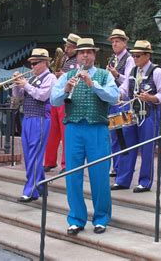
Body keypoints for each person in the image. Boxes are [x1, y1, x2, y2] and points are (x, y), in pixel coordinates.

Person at [51, 38, 119, 235]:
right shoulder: (67, 76)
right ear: (77, 55)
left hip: (97, 129)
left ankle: (101, 218)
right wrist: (66, 90)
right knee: (73, 175)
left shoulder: (105, 76)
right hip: (73, 128)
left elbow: (113, 97)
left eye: (89, 52)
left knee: (99, 176)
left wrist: (93, 84)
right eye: (82, 52)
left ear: (94, 55)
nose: (85, 55)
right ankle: (76, 218)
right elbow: (54, 102)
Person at [111, 40, 161, 193]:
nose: (135, 58)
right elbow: (124, 89)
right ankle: (122, 180)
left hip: (149, 115)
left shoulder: (157, 72)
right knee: (127, 146)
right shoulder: (133, 71)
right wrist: (117, 95)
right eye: (134, 55)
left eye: (138, 56)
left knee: (147, 149)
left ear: (147, 56)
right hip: (132, 113)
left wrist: (151, 98)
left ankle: (145, 182)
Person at [12, 48, 57, 202]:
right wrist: (16, 85)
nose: (32, 67)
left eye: (35, 63)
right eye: (31, 63)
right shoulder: (31, 78)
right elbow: (18, 98)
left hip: (40, 119)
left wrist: (25, 85)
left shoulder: (50, 78)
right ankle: (41, 187)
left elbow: (43, 96)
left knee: (35, 155)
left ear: (45, 62)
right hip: (28, 118)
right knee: (28, 154)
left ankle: (30, 191)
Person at [43, 33, 80, 174]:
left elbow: (74, 78)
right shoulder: (64, 58)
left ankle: (66, 165)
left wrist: (60, 75)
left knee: (65, 134)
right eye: (66, 46)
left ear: (75, 48)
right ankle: (49, 161)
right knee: (52, 132)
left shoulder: (77, 61)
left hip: (66, 99)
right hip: (56, 97)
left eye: (69, 47)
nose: (66, 49)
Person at [106, 29, 135, 177]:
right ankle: (116, 166)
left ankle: (122, 167)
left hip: (124, 103)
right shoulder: (112, 59)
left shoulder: (129, 59)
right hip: (113, 102)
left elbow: (129, 81)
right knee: (114, 136)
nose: (114, 44)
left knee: (123, 136)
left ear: (125, 42)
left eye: (117, 41)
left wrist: (116, 74)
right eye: (112, 41)